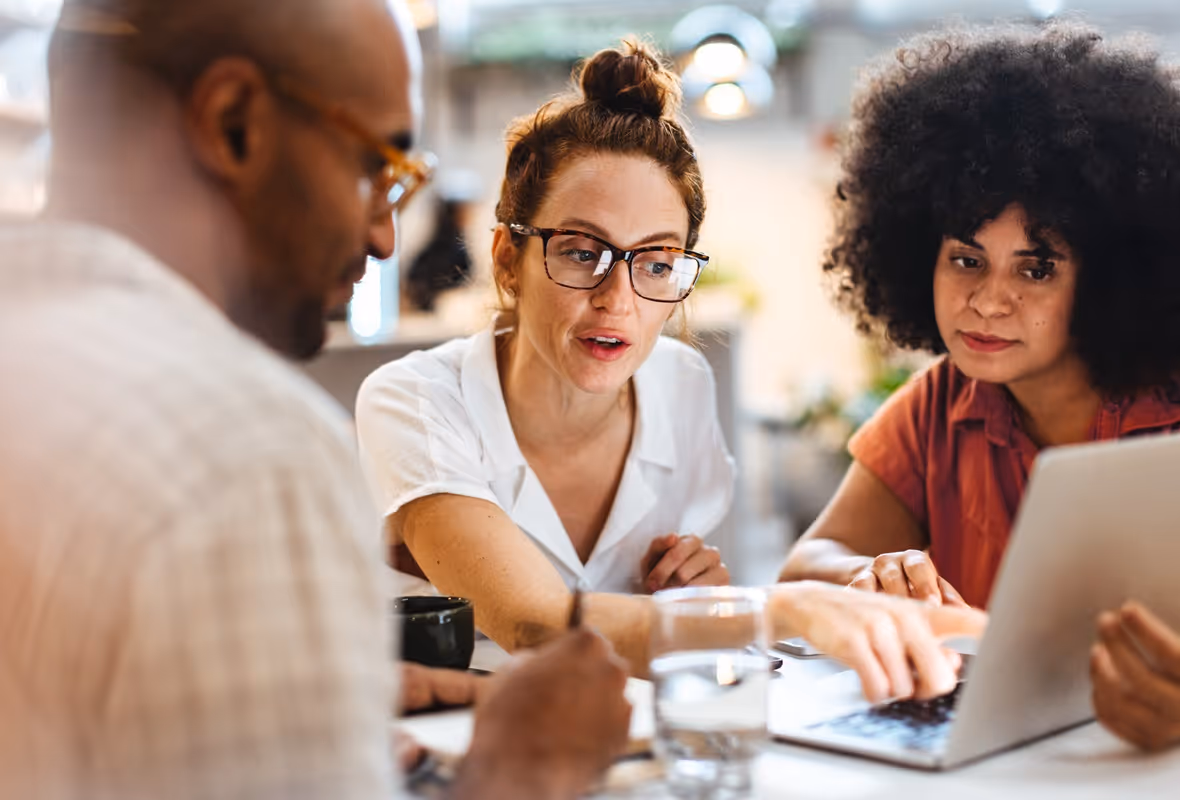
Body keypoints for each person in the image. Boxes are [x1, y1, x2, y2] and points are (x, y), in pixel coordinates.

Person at [0, 1, 631, 798]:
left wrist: (296, 701)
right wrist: (522, 770)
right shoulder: (254, 454)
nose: (384, 237)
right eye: (379, 168)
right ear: (234, 125)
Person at [356, 39, 985, 690]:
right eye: (580, 251)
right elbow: (531, 623)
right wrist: (776, 610)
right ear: (507, 257)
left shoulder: (680, 388)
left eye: (656, 263)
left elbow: (676, 642)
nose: (617, 299)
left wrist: (696, 599)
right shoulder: (416, 400)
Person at [776, 22, 1180, 750]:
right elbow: (805, 566)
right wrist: (871, 575)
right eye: (967, 259)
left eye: (1036, 268)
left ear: (1113, 281)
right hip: (989, 759)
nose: (989, 301)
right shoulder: (939, 403)